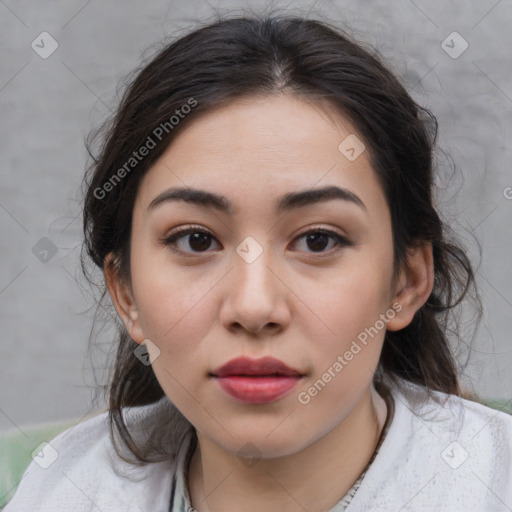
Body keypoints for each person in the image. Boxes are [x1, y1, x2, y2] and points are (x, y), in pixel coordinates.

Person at [4, 11, 512, 512]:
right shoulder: (60, 491)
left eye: (317, 240)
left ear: (406, 282)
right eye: (196, 240)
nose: (253, 306)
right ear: (126, 292)